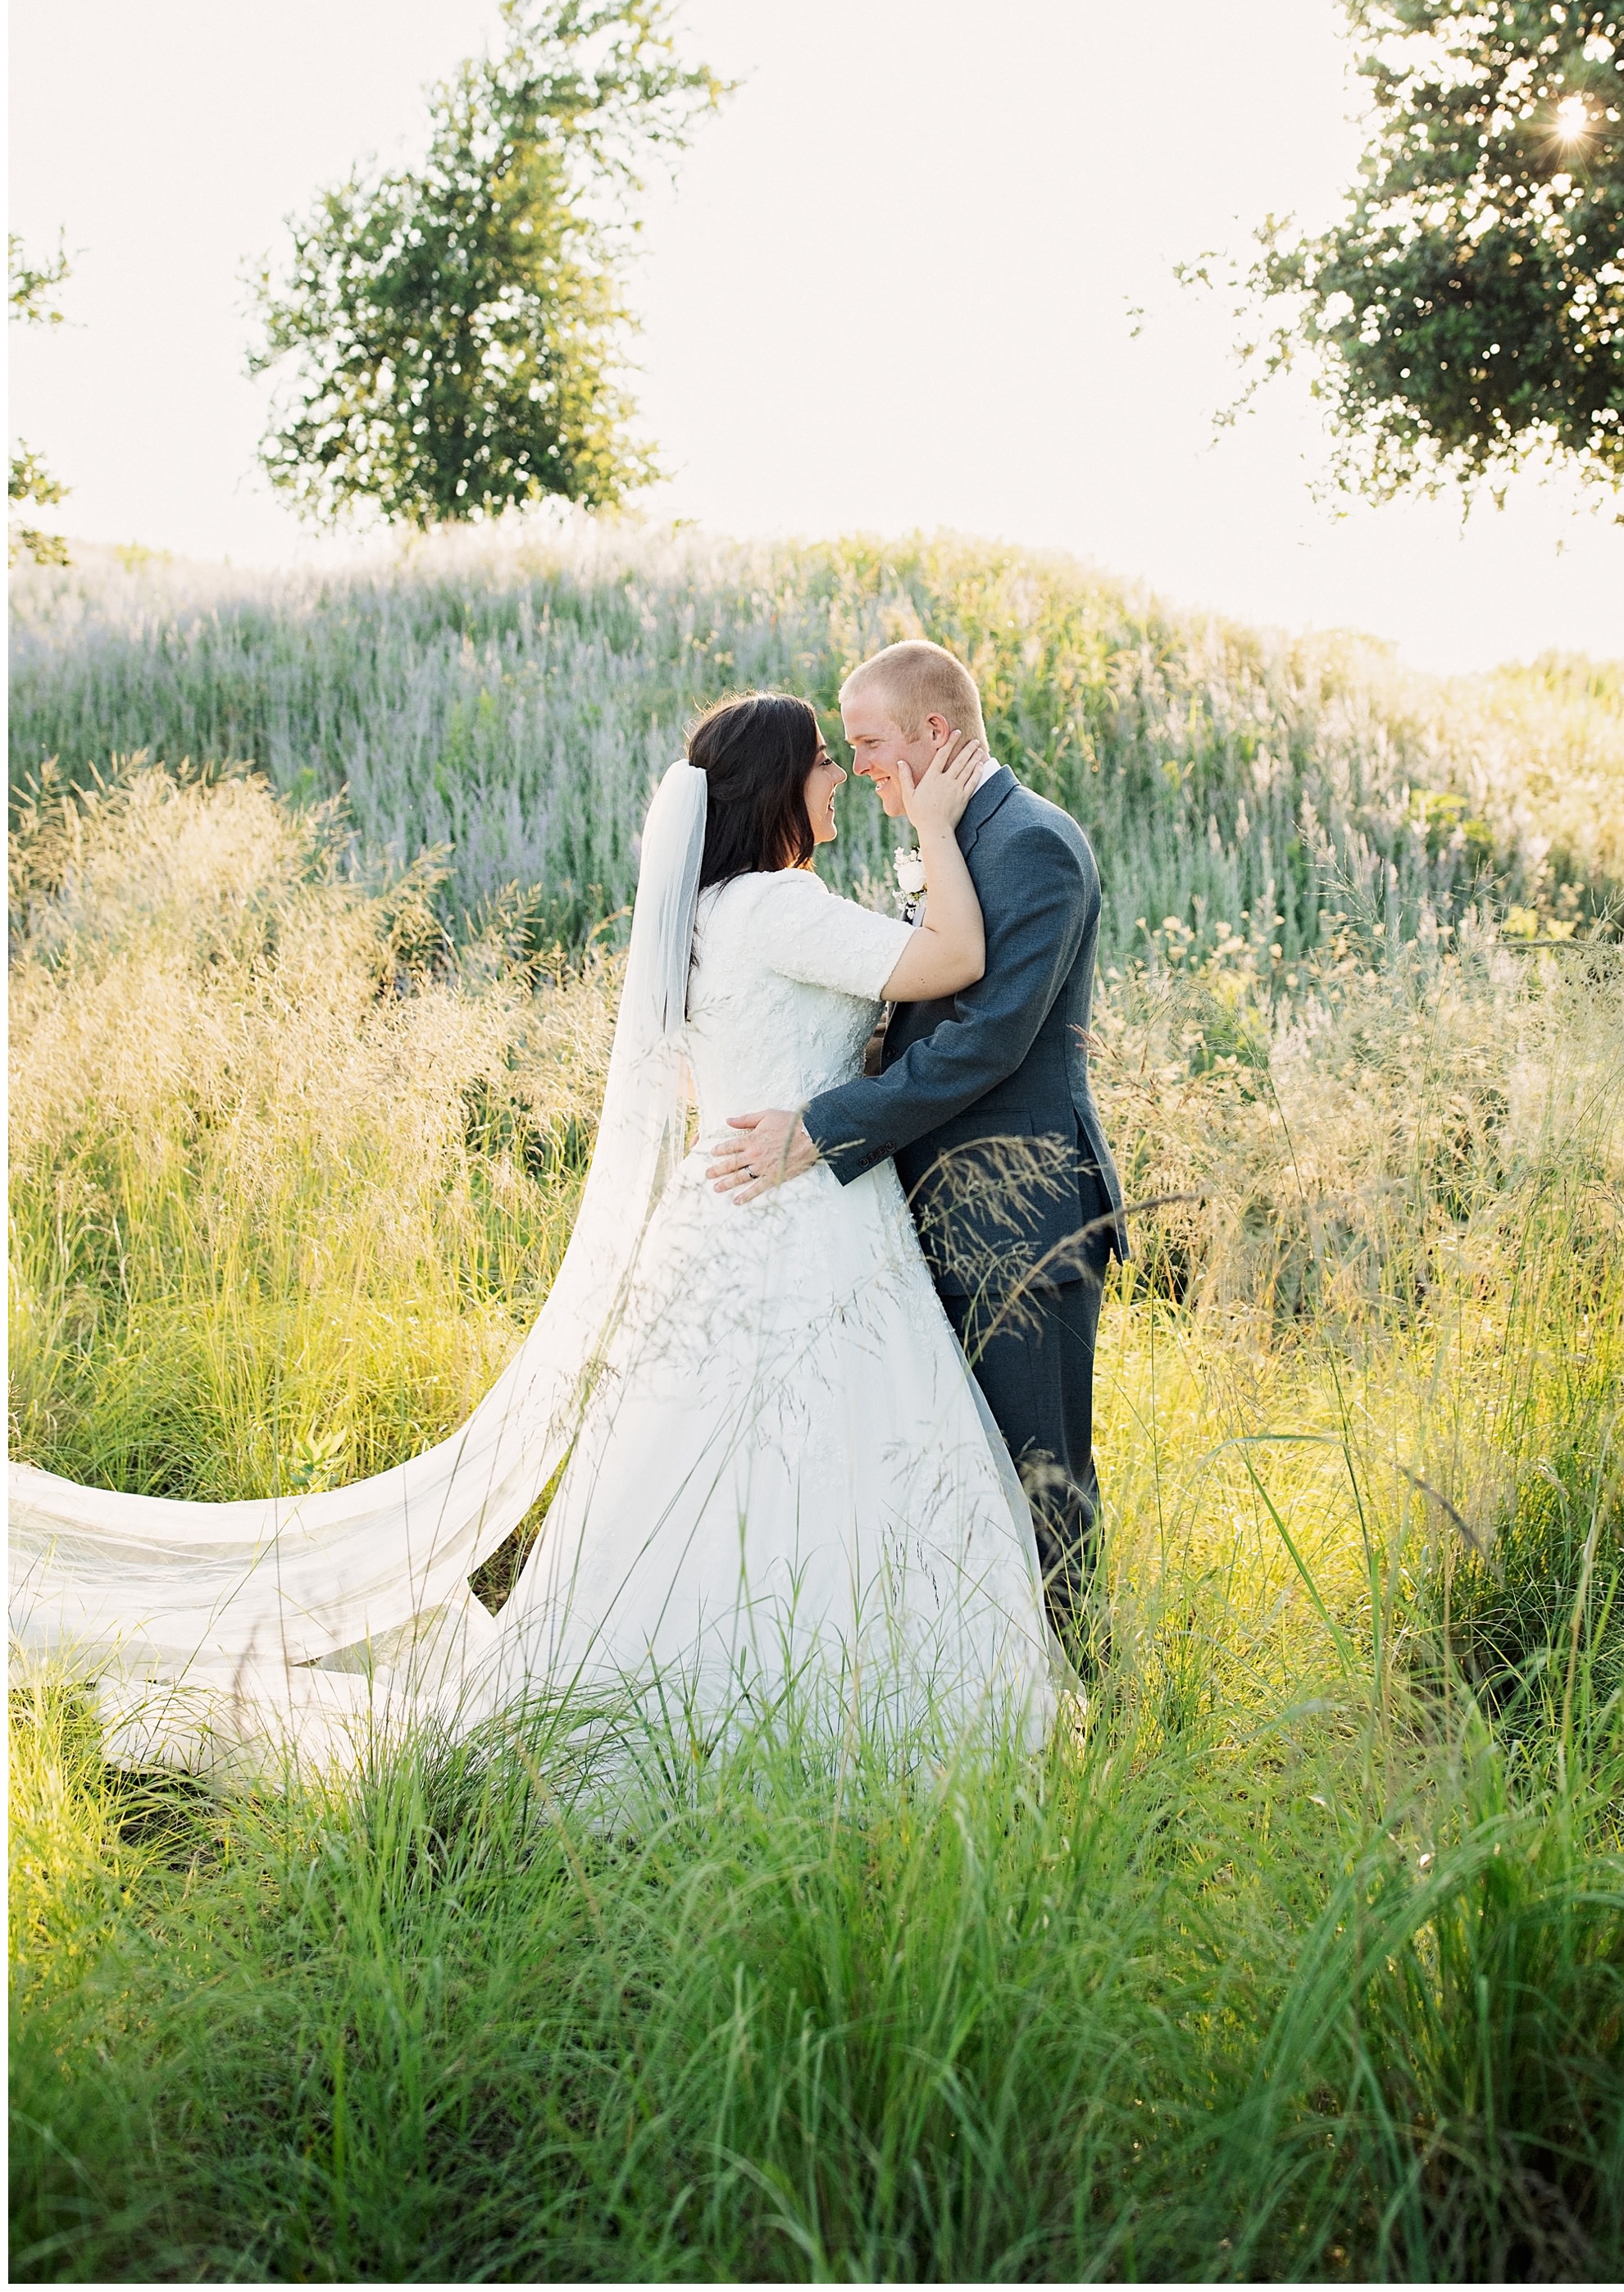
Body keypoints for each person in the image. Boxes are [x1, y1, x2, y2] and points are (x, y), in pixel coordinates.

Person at [10, 691, 1061, 1789]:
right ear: (777, 784)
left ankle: (719, 1691)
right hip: (802, 1208)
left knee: (714, 1473)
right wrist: (937, 829)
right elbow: (952, 958)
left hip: (725, 1205)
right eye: (820, 763)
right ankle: (835, 1711)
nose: (839, 778)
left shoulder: (709, 914)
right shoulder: (778, 907)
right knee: (828, 1456)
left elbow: (715, 1069)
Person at [707, 643, 1126, 1660]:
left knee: (1040, 1475)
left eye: (866, 744)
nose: (855, 769)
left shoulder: (1030, 844)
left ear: (933, 734)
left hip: (1015, 1215)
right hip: (916, 1211)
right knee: (956, 1480)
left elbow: (985, 1039)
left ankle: (1087, 1707)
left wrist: (819, 1124)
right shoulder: (953, 837)